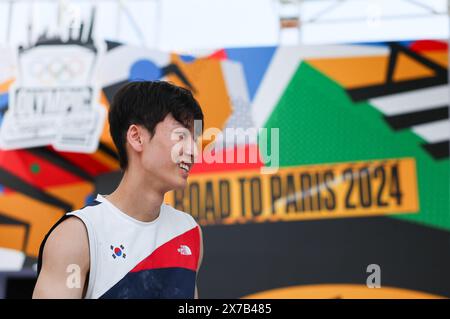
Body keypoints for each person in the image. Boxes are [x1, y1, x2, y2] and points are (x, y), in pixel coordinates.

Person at [33, 81, 204, 299]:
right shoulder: (78, 235)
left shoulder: (189, 232)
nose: (192, 151)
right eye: (181, 136)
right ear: (136, 136)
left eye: (195, 139)